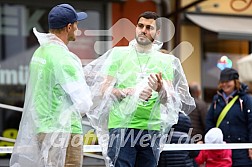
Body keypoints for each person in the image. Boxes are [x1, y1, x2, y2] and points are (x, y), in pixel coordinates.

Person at [84, 11, 195, 167]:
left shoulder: (166, 60)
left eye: (149, 27)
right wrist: (130, 92)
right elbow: (104, 90)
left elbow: (168, 99)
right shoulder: (118, 54)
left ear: (157, 33)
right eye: (140, 26)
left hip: (151, 128)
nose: (143, 30)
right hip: (121, 127)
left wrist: (160, 88)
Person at [10, 4, 93, 167]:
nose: (78, 28)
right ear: (69, 27)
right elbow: (84, 103)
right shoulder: (65, 58)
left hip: (42, 128)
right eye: (76, 24)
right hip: (65, 132)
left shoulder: (40, 52)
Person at [206, 68, 252, 167]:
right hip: (220, 152)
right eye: (222, 82)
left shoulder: (246, 100)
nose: (224, 84)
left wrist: (251, 145)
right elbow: (209, 122)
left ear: (235, 82)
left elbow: (251, 123)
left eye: (228, 81)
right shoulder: (216, 100)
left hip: (241, 150)